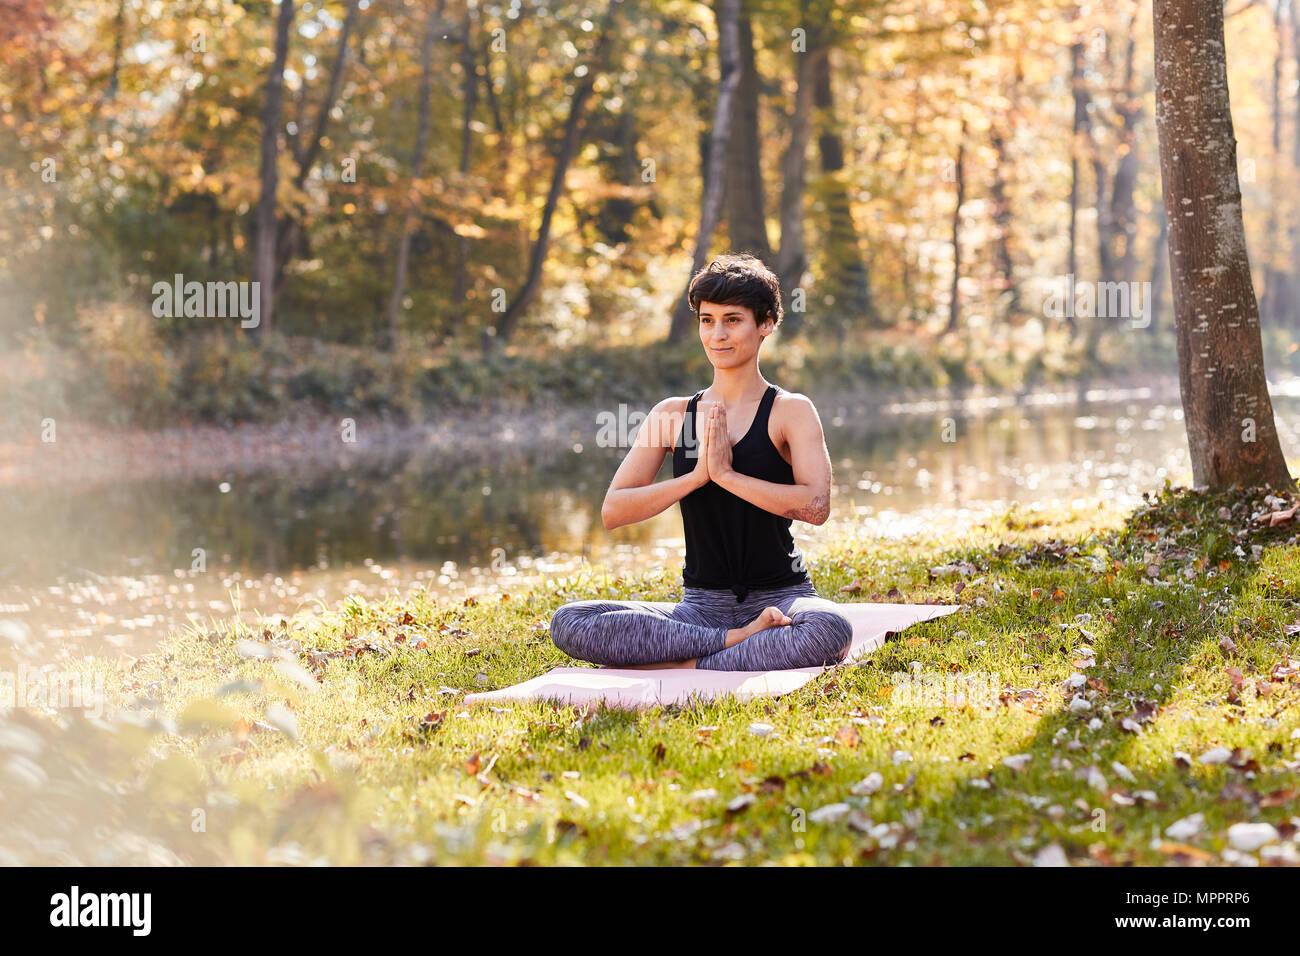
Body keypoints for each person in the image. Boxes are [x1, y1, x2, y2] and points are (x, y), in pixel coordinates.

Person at [549, 253, 854, 671]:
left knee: (829, 630)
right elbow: (614, 510)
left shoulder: (791, 411)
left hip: (781, 598)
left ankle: (687, 660)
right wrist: (695, 478)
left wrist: (726, 476)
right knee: (572, 620)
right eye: (707, 320)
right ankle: (734, 643)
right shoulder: (671, 416)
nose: (717, 334)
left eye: (733, 320)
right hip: (699, 607)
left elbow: (816, 507)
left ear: (765, 323)